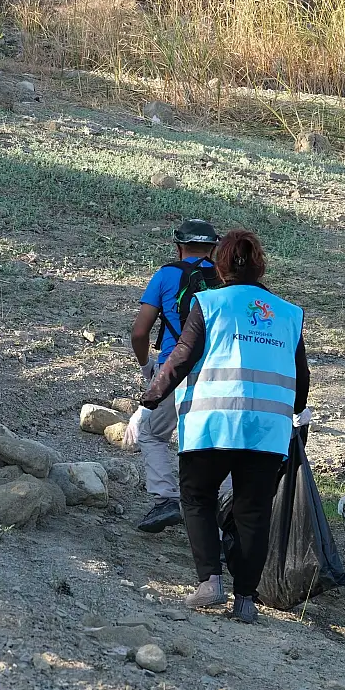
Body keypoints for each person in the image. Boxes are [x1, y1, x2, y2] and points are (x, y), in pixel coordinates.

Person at [139, 229, 309, 622]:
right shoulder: (288, 313)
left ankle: (210, 582)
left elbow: (182, 355)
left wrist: (152, 394)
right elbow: (301, 378)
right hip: (268, 431)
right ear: (260, 264)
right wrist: (294, 409)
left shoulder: (209, 302)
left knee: (197, 496)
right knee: (253, 512)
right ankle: (245, 600)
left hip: (212, 423)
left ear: (220, 266)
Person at [129, 218, 223, 533]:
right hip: (218, 373)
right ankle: (224, 514)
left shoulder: (166, 275)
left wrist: (147, 367)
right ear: (213, 248)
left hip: (173, 367)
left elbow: (140, 331)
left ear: (178, 245)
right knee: (213, 445)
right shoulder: (226, 279)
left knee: (152, 434)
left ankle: (166, 500)